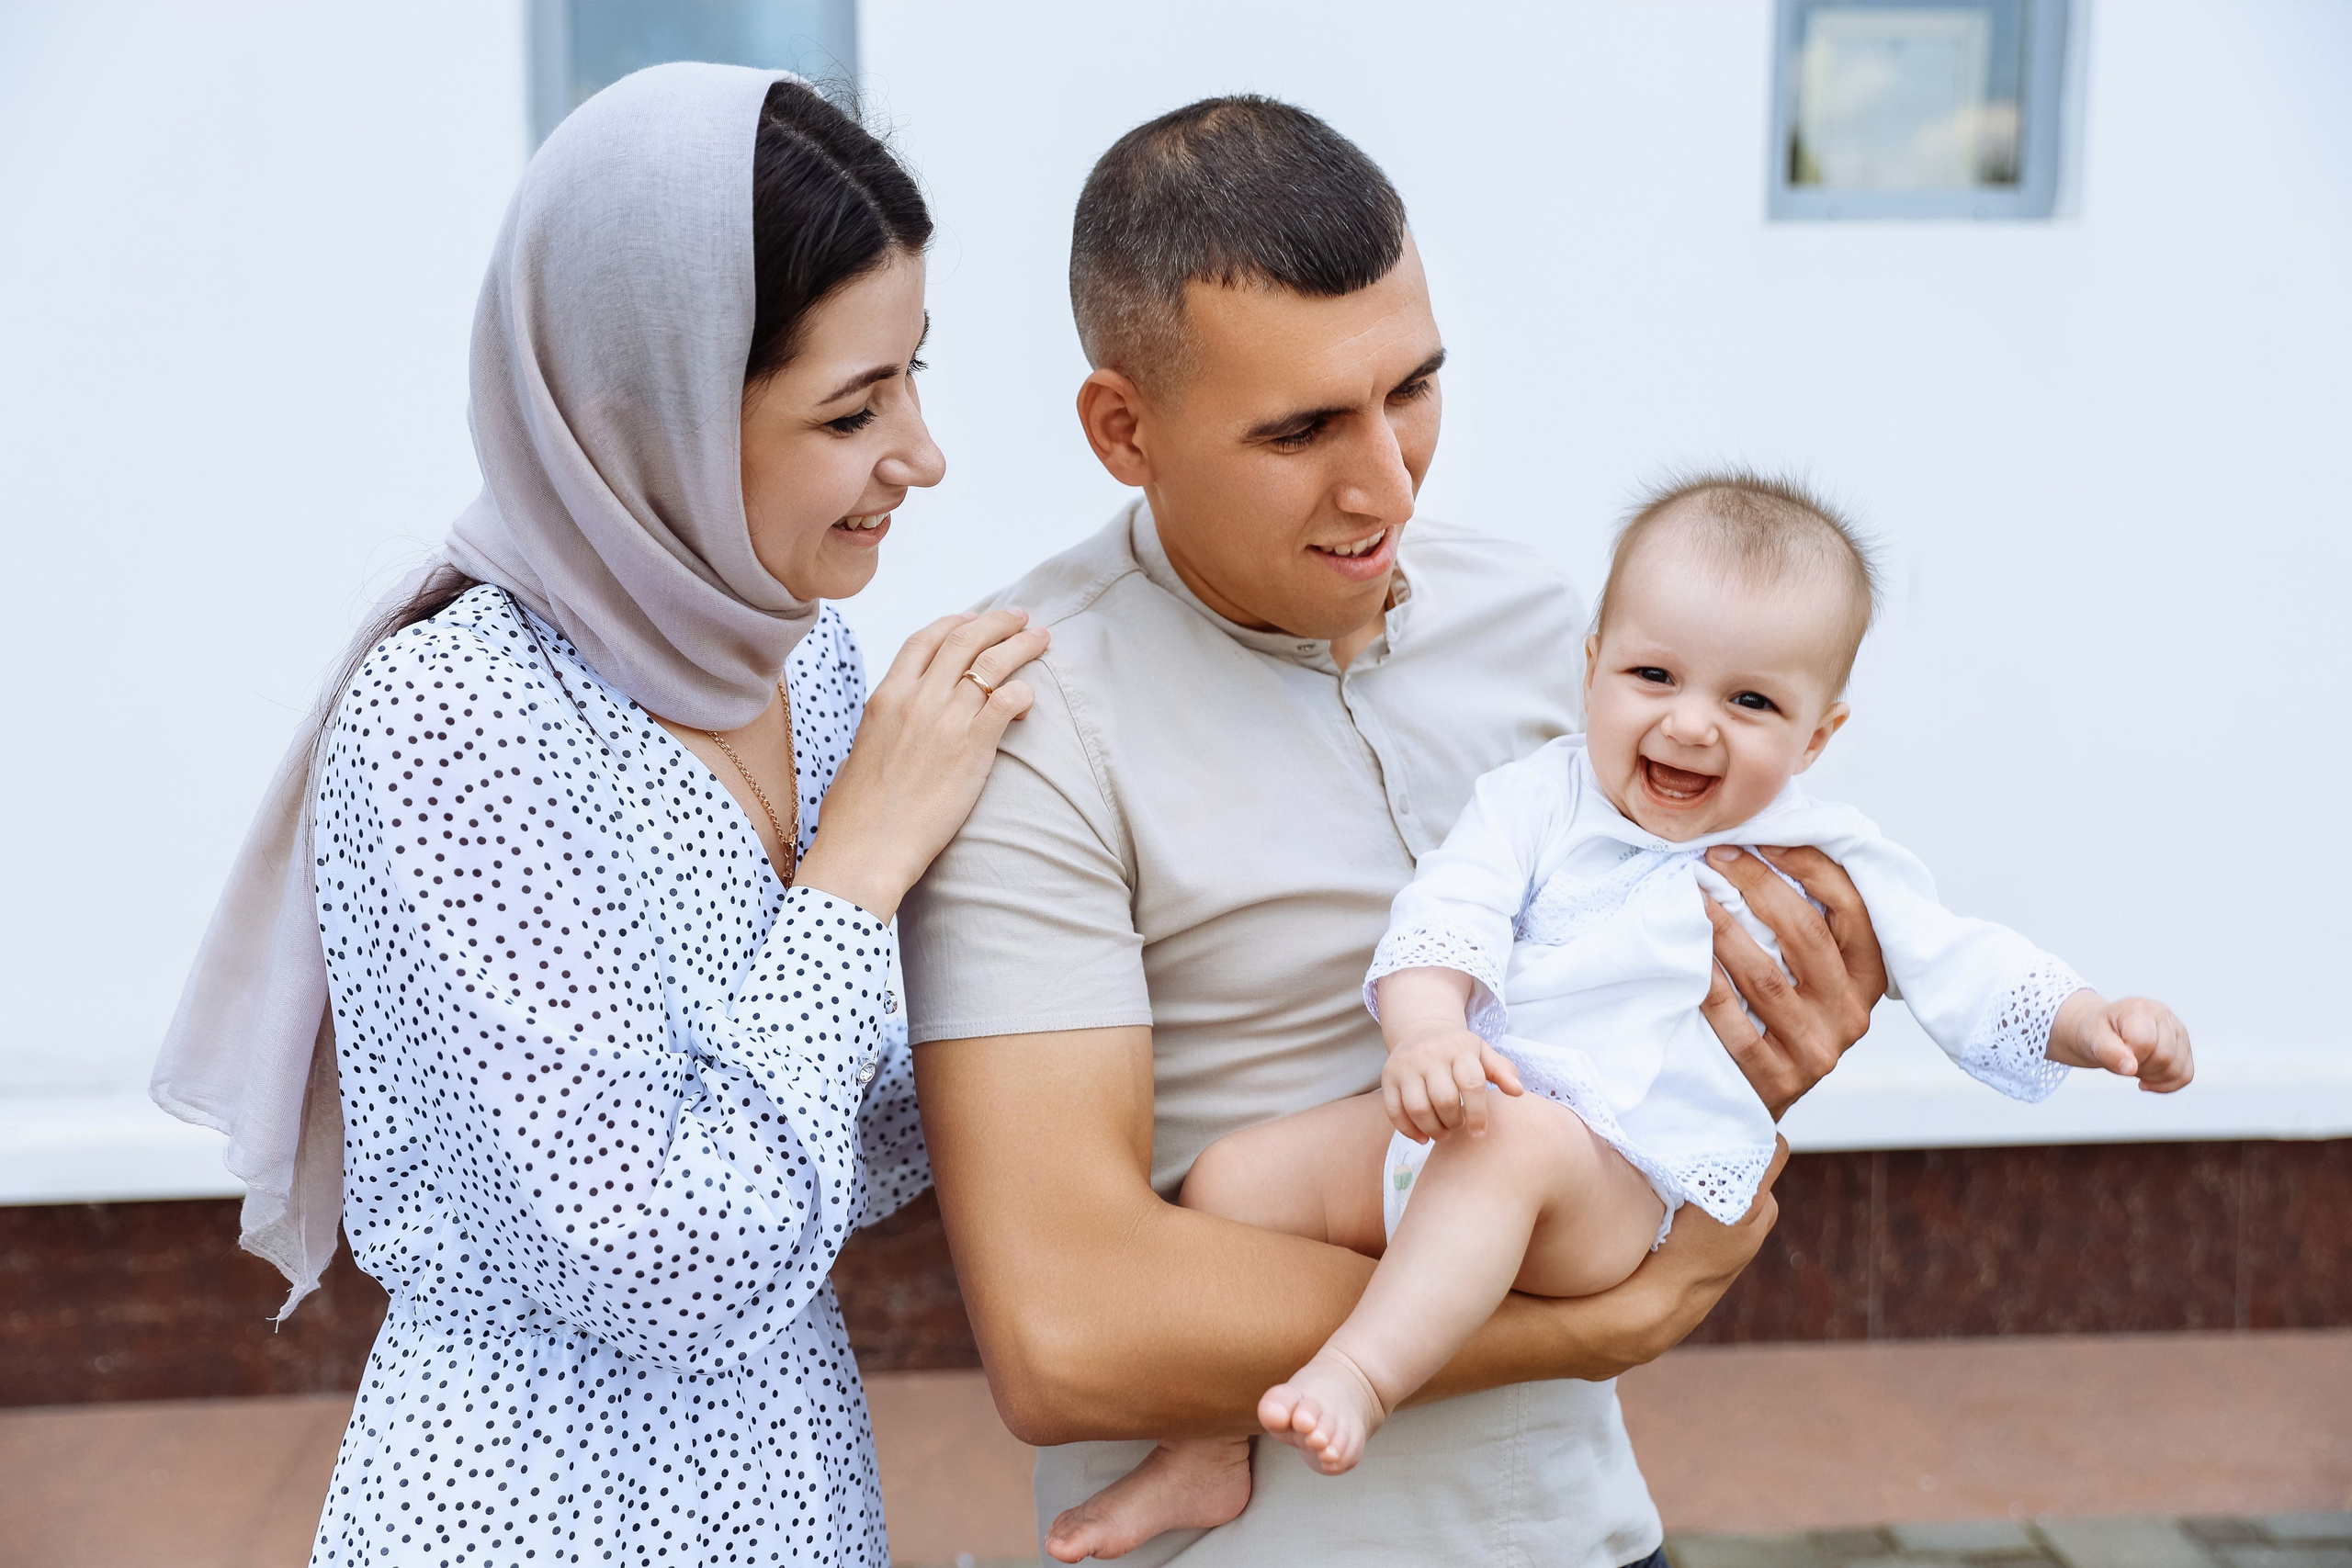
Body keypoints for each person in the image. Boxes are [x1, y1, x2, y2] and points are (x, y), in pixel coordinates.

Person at [899, 99, 1888, 1568]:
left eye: (1413, 389)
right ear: (1124, 427)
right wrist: (1600, 1321)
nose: (1389, 483)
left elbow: (1642, 1019)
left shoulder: (1562, 634)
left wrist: (1764, 1044)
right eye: (1301, 429)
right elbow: (1068, 1336)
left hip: (1590, 1531)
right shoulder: (1025, 722)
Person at [150, 65, 1046, 1564]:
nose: (922, 455)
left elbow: (843, 1142)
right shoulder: (451, 720)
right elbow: (669, 1256)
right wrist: (863, 868)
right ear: (649, 414)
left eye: (916, 375)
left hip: (792, 1488)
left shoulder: (799, 652)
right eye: (851, 408)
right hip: (535, 1509)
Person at [1057, 471, 2196, 1545]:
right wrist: (1427, 1030)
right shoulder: (1536, 799)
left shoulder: (1825, 856)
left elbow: (1965, 964)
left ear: (1817, 736)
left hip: (1612, 1180)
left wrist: (2090, 1021)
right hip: (1463, 1106)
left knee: (1513, 1151)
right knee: (1232, 1182)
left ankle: (1360, 1375)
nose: (1691, 724)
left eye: (1750, 701)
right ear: (1594, 665)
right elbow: (1444, 912)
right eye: (1654, 677)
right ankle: (1203, 1444)